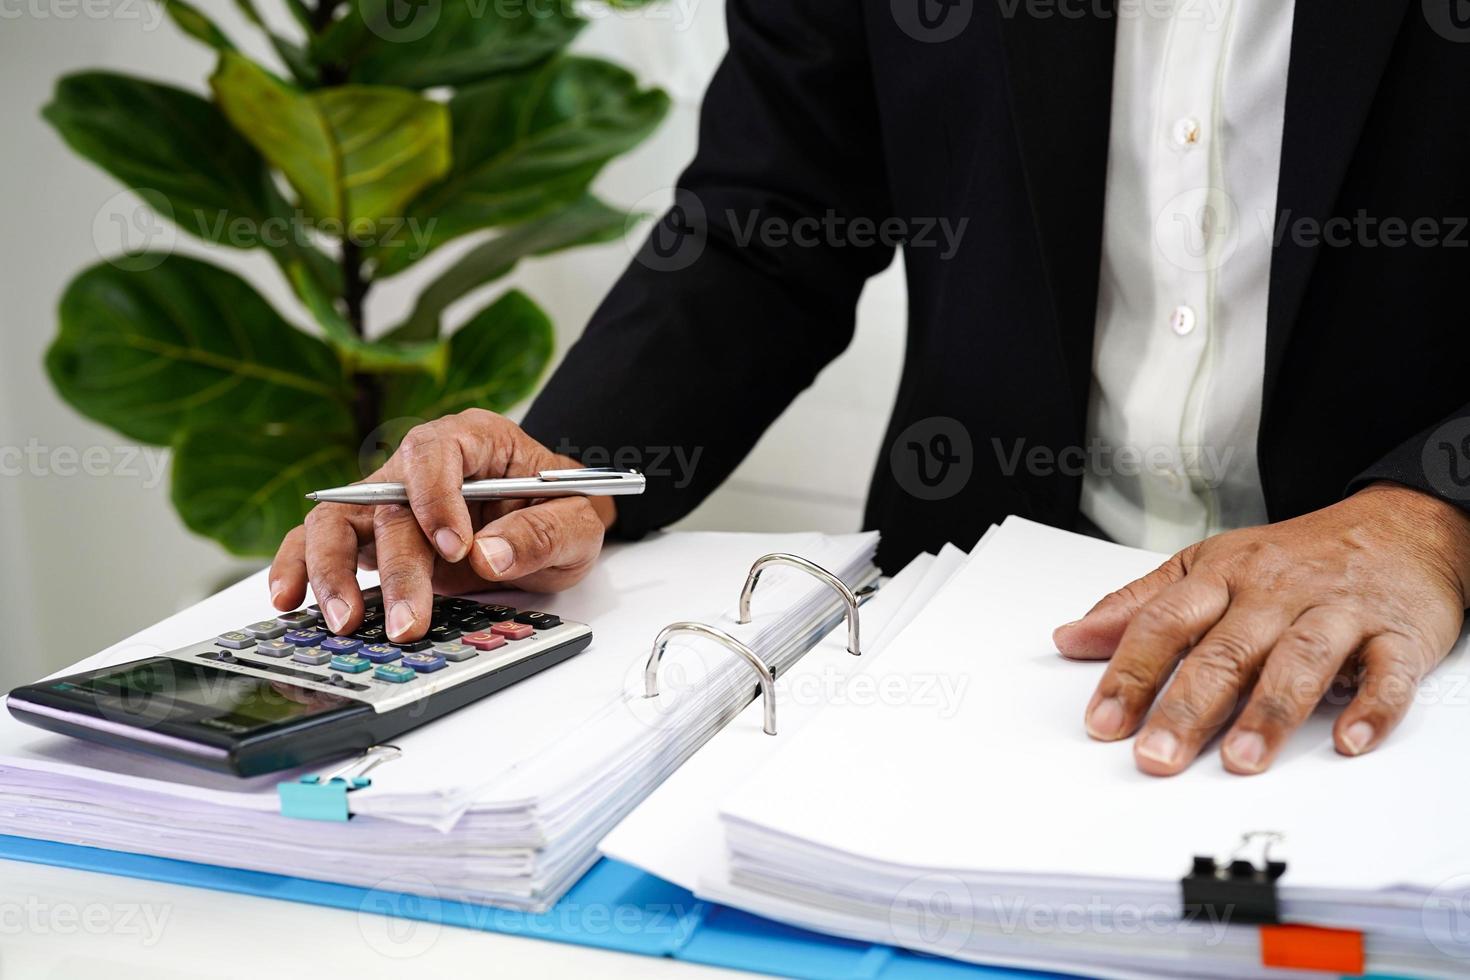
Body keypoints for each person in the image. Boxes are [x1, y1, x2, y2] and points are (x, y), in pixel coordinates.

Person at [268, 1, 1470, 778]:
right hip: (988, 650)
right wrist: (566, 464)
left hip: (1413, 643)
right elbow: (775, 209)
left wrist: (1435, 515)